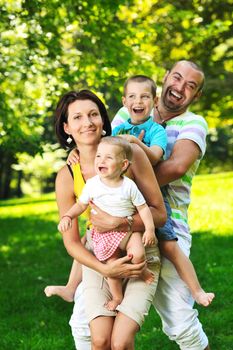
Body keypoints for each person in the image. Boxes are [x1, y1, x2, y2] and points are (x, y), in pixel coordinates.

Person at [45, 89, 166, 350]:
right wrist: (105, 269)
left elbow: (159, 213)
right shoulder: (67, 175)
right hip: (100, 256)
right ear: (67, 127)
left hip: (139, 253)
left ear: (103, 120)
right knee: (99, 341)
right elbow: (72, 242)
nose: (87, 122)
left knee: (120, 343)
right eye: (77, 118)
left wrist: (119, 223)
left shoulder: (130, 154)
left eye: (93, 115)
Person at [112, 60, 214, 350]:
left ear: (196, 96)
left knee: (181, 323)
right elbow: (102, 154)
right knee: (93, 315)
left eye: (190, 86)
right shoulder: (127, 111)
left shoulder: (194, 123)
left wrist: (130, 177)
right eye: (177, 78)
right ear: (166, 77)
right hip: (120, 221)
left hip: (169, 224)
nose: (180, 87)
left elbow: (176, 166)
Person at [58, 136, 157, 311]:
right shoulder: (92, 185)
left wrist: (149, 230)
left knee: (138, 254)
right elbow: (81, 205)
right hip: (104, 234)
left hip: (128, 231)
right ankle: (117, 297)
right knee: (111, 267)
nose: (101, 161)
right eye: (98, 156)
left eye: (108, 158)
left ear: (123, 165)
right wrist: (68, 216)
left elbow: (143, 209)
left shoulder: (128, 186)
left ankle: (143, 272)